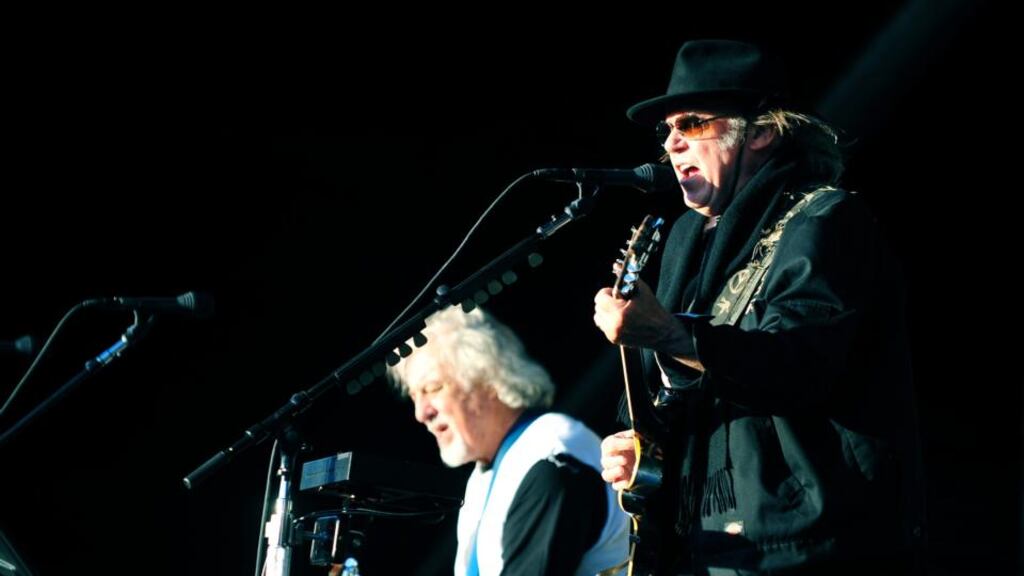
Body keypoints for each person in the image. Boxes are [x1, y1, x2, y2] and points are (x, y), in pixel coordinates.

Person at [594, 39, 925, 575]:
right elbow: (682, 392)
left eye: (692, 123)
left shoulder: (823, 221)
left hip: (809, 545)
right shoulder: (686, 241)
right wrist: (640, 444)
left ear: (761, 132)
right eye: (667, 130)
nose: (672, 143)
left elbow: (799, 364)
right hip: (706, 542)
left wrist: (671, 334)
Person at [388, 305, 630, 576]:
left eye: (433, 388)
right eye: (414, 396)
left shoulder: (552, 455)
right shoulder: (487, 473)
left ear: (487, 378)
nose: (421, 413)